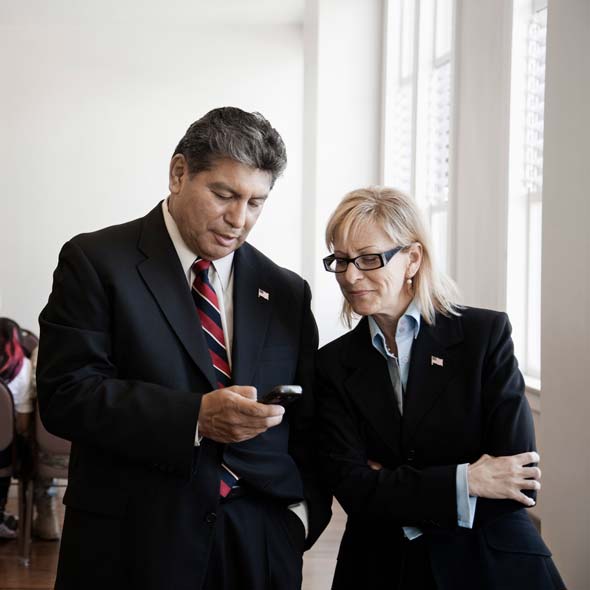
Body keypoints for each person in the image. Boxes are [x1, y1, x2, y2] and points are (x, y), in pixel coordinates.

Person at [37, 107, 331, 590]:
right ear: (178, 174)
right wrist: (194, 417)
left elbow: (310, 425)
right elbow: (66, 396)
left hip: (259, 547)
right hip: (131, 547)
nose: (239, 219)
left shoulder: (286, 291)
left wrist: (298, 519)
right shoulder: (94, 261)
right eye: (224, 195)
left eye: (256, 202)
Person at [315, 187, 565, 590]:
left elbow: (518, 481)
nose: (350, 275)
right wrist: (466, 480)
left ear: (412, 259)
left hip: (489, 564)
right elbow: (354, 490)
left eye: (369, 258)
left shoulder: (484, 336)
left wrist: (393, 480)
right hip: (382, 567)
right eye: (341, 260)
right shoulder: (331, 365)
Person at [0, 318, 65, 540]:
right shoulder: (24, 368)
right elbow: (24, 425)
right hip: (8, 456)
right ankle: (41, 518)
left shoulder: (36, 362)